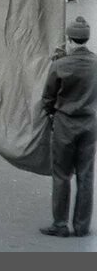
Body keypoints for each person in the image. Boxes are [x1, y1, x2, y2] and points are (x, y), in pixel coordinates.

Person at [39, 16, 95, 237]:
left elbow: (47, 98)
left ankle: (60, 223)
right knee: (86, 175)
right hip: (90, 123)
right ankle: (82, 225)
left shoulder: (59, 65)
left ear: (70, 40)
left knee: (62, 174)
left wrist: (51, 113)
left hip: (65, 122)